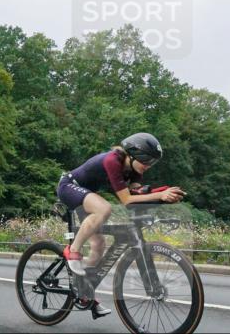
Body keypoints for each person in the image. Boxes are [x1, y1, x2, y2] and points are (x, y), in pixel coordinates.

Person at [56, 133, 184, 318]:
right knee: (104, 209)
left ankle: (84, 289)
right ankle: (72, 251)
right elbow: (126, 200)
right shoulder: (112, 161)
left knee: (99, 244)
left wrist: (164, 192)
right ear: (132, 154)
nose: (148, 165)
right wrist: (159, 195)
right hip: (69, 186)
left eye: (153, 162)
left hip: (87, 194)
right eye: (146, 160)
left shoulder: (135, 169)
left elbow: (136, 195)